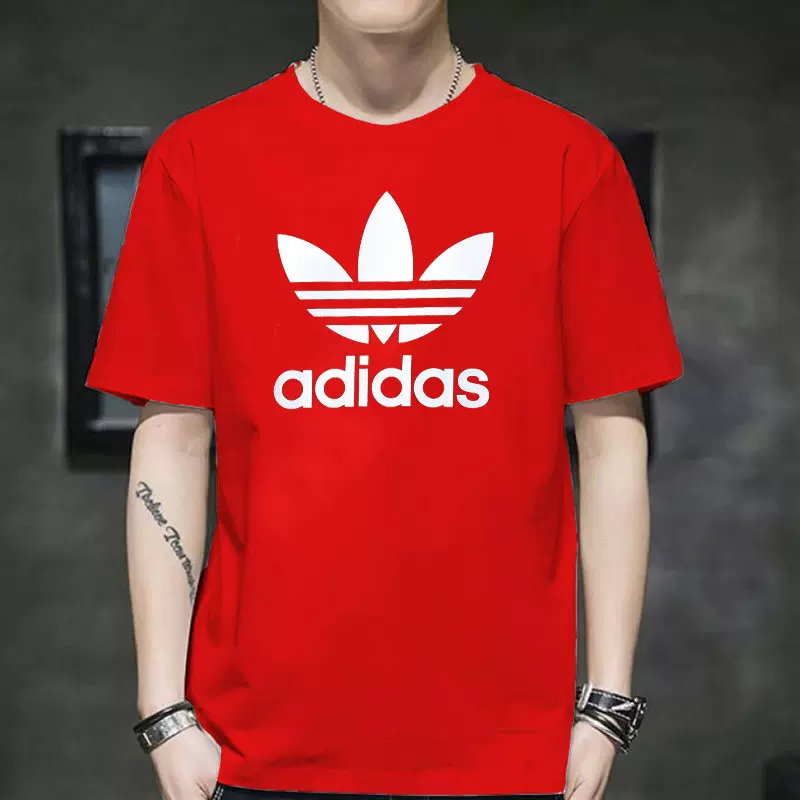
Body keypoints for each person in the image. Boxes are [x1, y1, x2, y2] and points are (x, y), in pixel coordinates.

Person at [85, 1, 684, 799]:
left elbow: (612, 444)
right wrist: (164, 710)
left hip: (509, 755)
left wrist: (606, 706)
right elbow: (171, 439)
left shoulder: (571, 160)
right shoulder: (198, 158)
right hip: (254, 749)